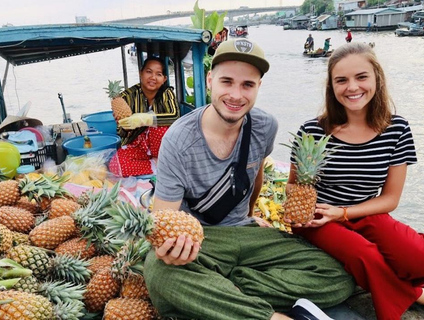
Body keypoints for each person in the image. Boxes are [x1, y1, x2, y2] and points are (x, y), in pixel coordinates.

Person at [143, 38, 355, 320]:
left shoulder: (265, 126)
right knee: (158, 271)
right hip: (204, 240)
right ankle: (270, 316)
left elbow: (255, 175)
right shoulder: (178, 140)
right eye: (227, 81)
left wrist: (252, 215)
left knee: (338, 277)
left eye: (247, 85)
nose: (236, 95)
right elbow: (162, 221)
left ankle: (221, 291)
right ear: (210, 80)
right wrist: (170, 251)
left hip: (249, 234)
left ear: (258, 88)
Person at [287, 42, 424, 320]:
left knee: (417, 257)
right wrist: (306, 208)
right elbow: (293, 185)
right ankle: (414, 294)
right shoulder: (312, 130)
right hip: (319, 216)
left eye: (361, 77)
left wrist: (346, 213)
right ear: (332, 86)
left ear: (377, 79)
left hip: (366, 213)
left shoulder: (396, 129)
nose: (352, 87)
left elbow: (390, 200)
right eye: (342, 80)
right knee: (366, 256)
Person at [108, 56, 179, 177]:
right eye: (149, 72)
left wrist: (146, 119)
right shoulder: (126, 96)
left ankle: (161, 161)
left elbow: (175, 116)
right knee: (116, 165)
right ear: (141, 73)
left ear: (164, 79)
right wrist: (125, 125)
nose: (153, 77)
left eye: (159, 74)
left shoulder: (166, 93)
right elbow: (121, 133)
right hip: (138, 144)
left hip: (162, 146)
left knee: (159, 126)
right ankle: (156, 165)